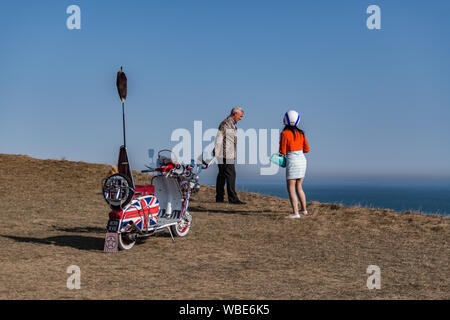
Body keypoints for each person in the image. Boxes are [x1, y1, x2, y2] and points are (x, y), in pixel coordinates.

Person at [279, 110, 309, 218]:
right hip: (302, 161)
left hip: (293, 161)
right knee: (299, 187)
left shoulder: (284, 133)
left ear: (287, 120)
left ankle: (296, 213)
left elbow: (282, 151)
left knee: (291, 188)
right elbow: (307, 149)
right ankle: (304, 210)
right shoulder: (301, 133)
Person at [214, 107, 246, 204]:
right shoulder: (226, 124)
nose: (241, 118)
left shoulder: (232, 125)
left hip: (227, 153)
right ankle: (233, 199)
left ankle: (219, 198)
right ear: (235, 114)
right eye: (240, 116)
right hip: (225, 154)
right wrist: (216, 150)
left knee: (222, 175)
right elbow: (219, 137)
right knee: (231, 175)